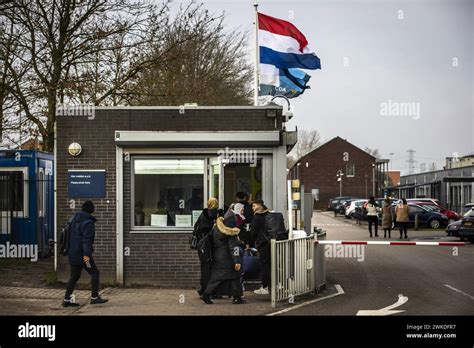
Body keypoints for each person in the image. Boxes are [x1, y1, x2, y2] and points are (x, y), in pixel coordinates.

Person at [63, 201, 108, 307]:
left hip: (72, 254)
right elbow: (86, 240)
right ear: (91, 210)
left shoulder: (72, 219)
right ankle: (94, 297)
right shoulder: (88, 223)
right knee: (94, 272)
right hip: (83, 256)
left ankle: (66, 299)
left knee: (74, 276)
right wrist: (87, 255)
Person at [201, 209, 245, 305]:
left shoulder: (216, 228)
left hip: (218, 257)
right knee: (234, 276)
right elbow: (234, 248)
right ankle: (207, 294)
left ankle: (236, 297)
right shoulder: (231, 232)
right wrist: (237, 261)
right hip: (227, 258)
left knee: (218, 277)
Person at [193, 197, 220, 298]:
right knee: (209, 268)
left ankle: (203, 289)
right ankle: (208, 292)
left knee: (204, 267)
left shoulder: (203, 214)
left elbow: (196, 227)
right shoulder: (213, 214)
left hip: (201, 244)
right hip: (208, 244)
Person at [249, 199, 271, 295]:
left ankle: (265, 286)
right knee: (271, 264)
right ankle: (274, 285)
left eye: (254, 206)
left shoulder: (257, 216)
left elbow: (253, 232)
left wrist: (250, 243)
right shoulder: (269, 214)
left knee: (264, 265)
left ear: (259, 205)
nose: (253, 208)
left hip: (262, 243)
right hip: (271, 242)